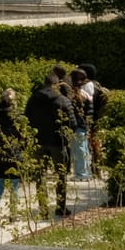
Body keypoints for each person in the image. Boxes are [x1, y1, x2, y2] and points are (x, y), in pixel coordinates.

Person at [25, 69, 76, 217]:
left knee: (40, 176)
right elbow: (72, 123)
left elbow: (26, 119)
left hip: (38, 142)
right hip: (58, 142)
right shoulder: (63, 100)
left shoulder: (33, 99)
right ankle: (61, 207)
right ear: (56, 84)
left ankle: (43, 209)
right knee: (61, 175)